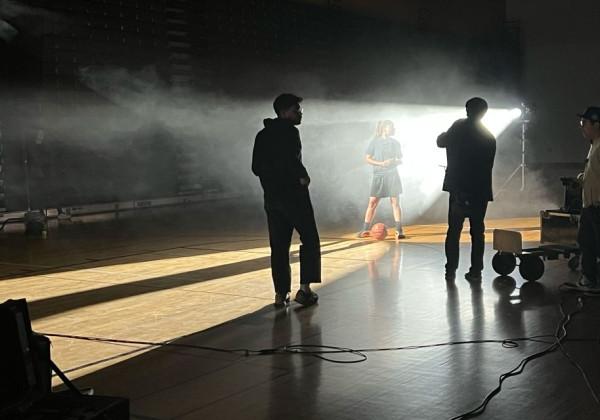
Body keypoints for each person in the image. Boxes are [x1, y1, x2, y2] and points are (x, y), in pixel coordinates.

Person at [252, 93, 321, 307]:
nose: (300, 114)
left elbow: (256, 168)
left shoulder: (262, 135)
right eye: (296, 110)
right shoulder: (291, 132)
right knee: (310, 239)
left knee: (279, 247)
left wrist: (271, 182)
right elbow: (291, 160)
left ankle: (280, 294)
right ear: (283, 112)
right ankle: (305, 290)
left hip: (272, 199)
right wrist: (302, 177)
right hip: (294, 197)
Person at [437, 97, 496, 282]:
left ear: (467, 110)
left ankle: (450, 270)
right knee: (477, 232)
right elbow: (487, 166)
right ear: (484, 113)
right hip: (479, 190)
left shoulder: (458, 127)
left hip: (458, 188)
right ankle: (476, 271)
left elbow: (440, 142)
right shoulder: (489, 137)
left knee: (453, 230)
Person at [357, 120, 405, 239]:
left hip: (392, 175)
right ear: (384, 128)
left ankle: (399, 230)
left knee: (395, 203)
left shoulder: (395, 143)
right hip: (379, 175)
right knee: (372, 202)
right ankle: (365, 229)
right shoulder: (374, 142)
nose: (393, 128)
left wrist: (393, 161)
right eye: (391, 127)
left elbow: (400, 160)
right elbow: (367, 159)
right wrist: (381, 163)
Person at [573, 106, 600, 290]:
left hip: (597, 205)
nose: (582, 127)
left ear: (596, 124)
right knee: (587, 241)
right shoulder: (594, 145)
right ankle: (589, 278)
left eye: (584, 123)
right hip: (589, 205)